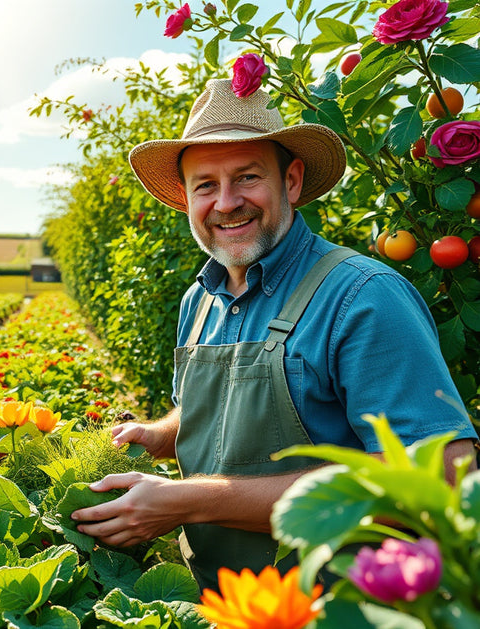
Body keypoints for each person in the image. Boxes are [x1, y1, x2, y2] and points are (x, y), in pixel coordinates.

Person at [70, 79, 478, 592]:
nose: (226, 202)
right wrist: (161, 434)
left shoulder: (363, 296)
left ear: (290, 180)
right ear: (185, 198)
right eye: (205, 185)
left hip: (334, 604)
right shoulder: (200, 299)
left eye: (246, 177)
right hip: (214, 600)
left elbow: (440, 475)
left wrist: (190, 499)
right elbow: (222, 411)